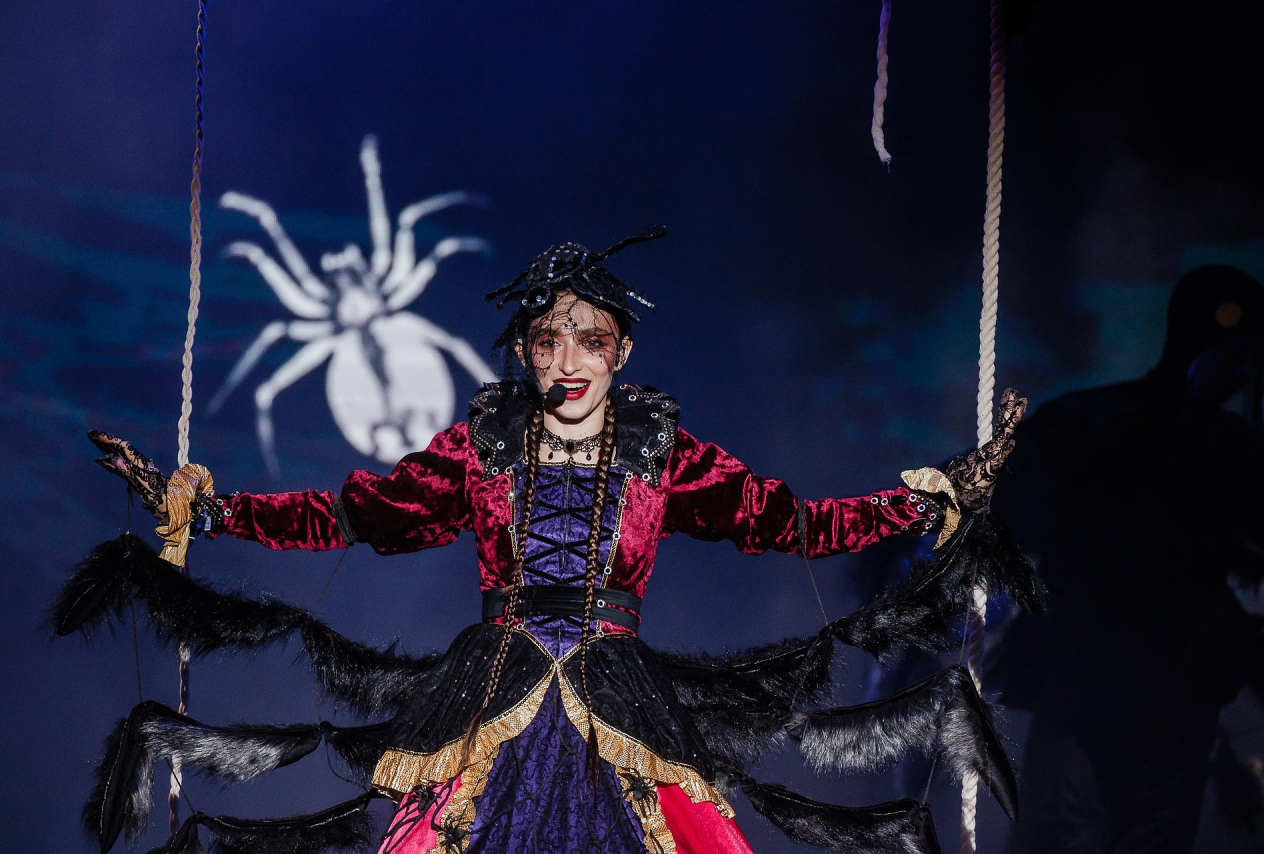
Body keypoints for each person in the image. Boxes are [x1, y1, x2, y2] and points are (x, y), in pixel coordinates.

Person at [82, 232, 1027, 854]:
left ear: (622, 352)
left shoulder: (660, 449)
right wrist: (211, 511)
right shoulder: (484, 443)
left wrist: (931, 501)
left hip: (622, 691)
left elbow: (796, 524)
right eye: (546, 342)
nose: (567, 363)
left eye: (589, 343)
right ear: (526, 349)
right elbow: (353, 515)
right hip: (496, 681)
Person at [992, 265, 1264, 854]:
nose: (1246, 372)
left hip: (1169, 691)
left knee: (1136, 837)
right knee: (1064, 835)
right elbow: (1002, 485)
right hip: (1091, 681)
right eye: (1240, 354)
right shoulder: (1097, 422)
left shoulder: (1231, 449)